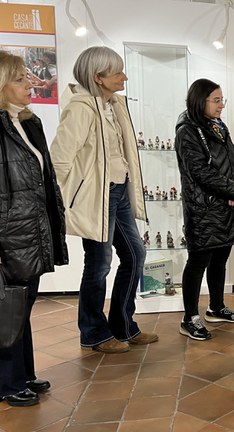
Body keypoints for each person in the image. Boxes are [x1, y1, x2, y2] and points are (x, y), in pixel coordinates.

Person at [50, 46, 158, 353]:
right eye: (117, 72)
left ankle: (123, 325)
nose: (124, 77)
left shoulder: (115, 104)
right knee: (99, 264)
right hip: (98, 197)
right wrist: (59, 204)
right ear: (98, 77)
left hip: (119, 191)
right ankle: (94, 332)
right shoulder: (81, 108)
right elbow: (60, 160)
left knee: (135, 255)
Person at [0, 52, 68, 407]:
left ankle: (23, 373)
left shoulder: (28, 123)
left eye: (28, 77)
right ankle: (7, 383)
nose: (30, 84)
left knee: (22, 306)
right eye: (19, 80)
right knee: (8, 307)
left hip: (31, 230)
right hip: (10, 233)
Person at [175, 78, 234, 340]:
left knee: (220, 258)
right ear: (200, 101)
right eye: (216, 100)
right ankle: (189, 318)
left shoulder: (218, 126)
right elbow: (201, 172)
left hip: (226, 207)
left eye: (222, 100)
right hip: (203, 210)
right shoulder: (187, 131)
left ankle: (216, 307)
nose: (221, 105)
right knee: (198, 262)